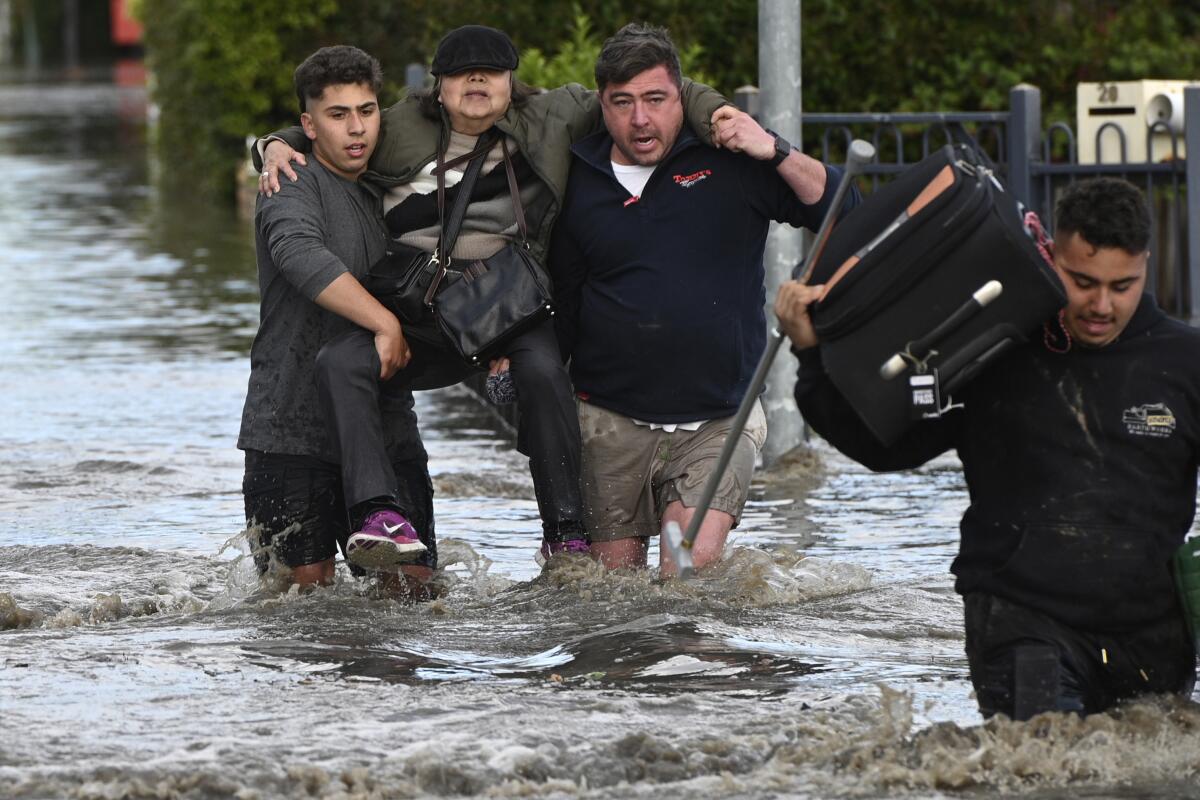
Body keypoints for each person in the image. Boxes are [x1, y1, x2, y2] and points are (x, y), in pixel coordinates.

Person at [256, 25, 730, 566]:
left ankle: (564, 529)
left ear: (512, 83)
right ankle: (376, 512)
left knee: (546, 372)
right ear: (438, 87)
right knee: (340, 359)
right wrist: (271, 146)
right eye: (461, 73)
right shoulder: (395, 125)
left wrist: (718, 115)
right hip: (417, 308)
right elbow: (334, 126)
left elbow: (658, 89)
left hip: (503, 305)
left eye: (491, 71)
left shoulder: (553, 114)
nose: (476, 80)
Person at [778, 177, 1199, 719]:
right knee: (1040, 767)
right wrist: (811, 358)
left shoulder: (1186, 364)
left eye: (1122, 286)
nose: (1101, 305)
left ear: (1145, 266)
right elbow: (884, 446)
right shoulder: (994, 342)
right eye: (1082, 281)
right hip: (1023, 622)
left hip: (1151, 637)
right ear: (1051, 254)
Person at [549, 23, 861, 576]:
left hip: (719, 418)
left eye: (655, 100)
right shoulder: (577, 174)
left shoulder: (730, 160)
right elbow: (565, 300)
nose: (640, 119)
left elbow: (842, 207)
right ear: (602, 104)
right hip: (607, 420)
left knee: (683, 576)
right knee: (607, 602)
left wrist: (775, 148)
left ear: (681, 96)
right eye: (622, 103)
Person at [239, 45, 435, 592]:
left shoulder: (391, 184)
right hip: (290, 427)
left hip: (386, 420)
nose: (356, 129)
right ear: (309, 124)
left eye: (367, 111)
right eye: (337, 114)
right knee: (302, 603)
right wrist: (384, 323)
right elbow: (299, 253)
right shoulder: (289, 180)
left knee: (415, 591)